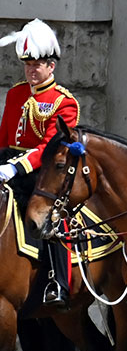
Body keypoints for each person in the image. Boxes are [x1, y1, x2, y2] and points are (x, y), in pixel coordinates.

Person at [0, 19, 78, 306]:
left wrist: (16, 167)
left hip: (43, 174)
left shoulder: (63, 103)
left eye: (38, 64)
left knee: (49, 217)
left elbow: (49, 148)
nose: (32, 70)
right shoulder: (16, 94)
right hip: (9, 165)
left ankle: (58, 283)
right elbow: (4, 137)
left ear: (51, 66)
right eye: (27, 64)